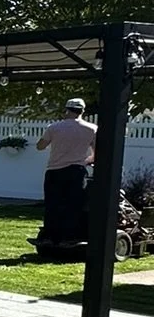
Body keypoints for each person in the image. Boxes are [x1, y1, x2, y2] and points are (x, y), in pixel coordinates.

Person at [36, 97, 97, 246]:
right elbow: (97, 152)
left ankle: (49, 237)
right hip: (76, 171)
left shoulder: (54, 127)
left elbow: (40, 146)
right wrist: (88, 160)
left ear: (67, 110)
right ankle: (69, 237)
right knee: (73, 205)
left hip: (55, 170)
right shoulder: (92, 129)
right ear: (82, 111)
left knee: (52, 205)